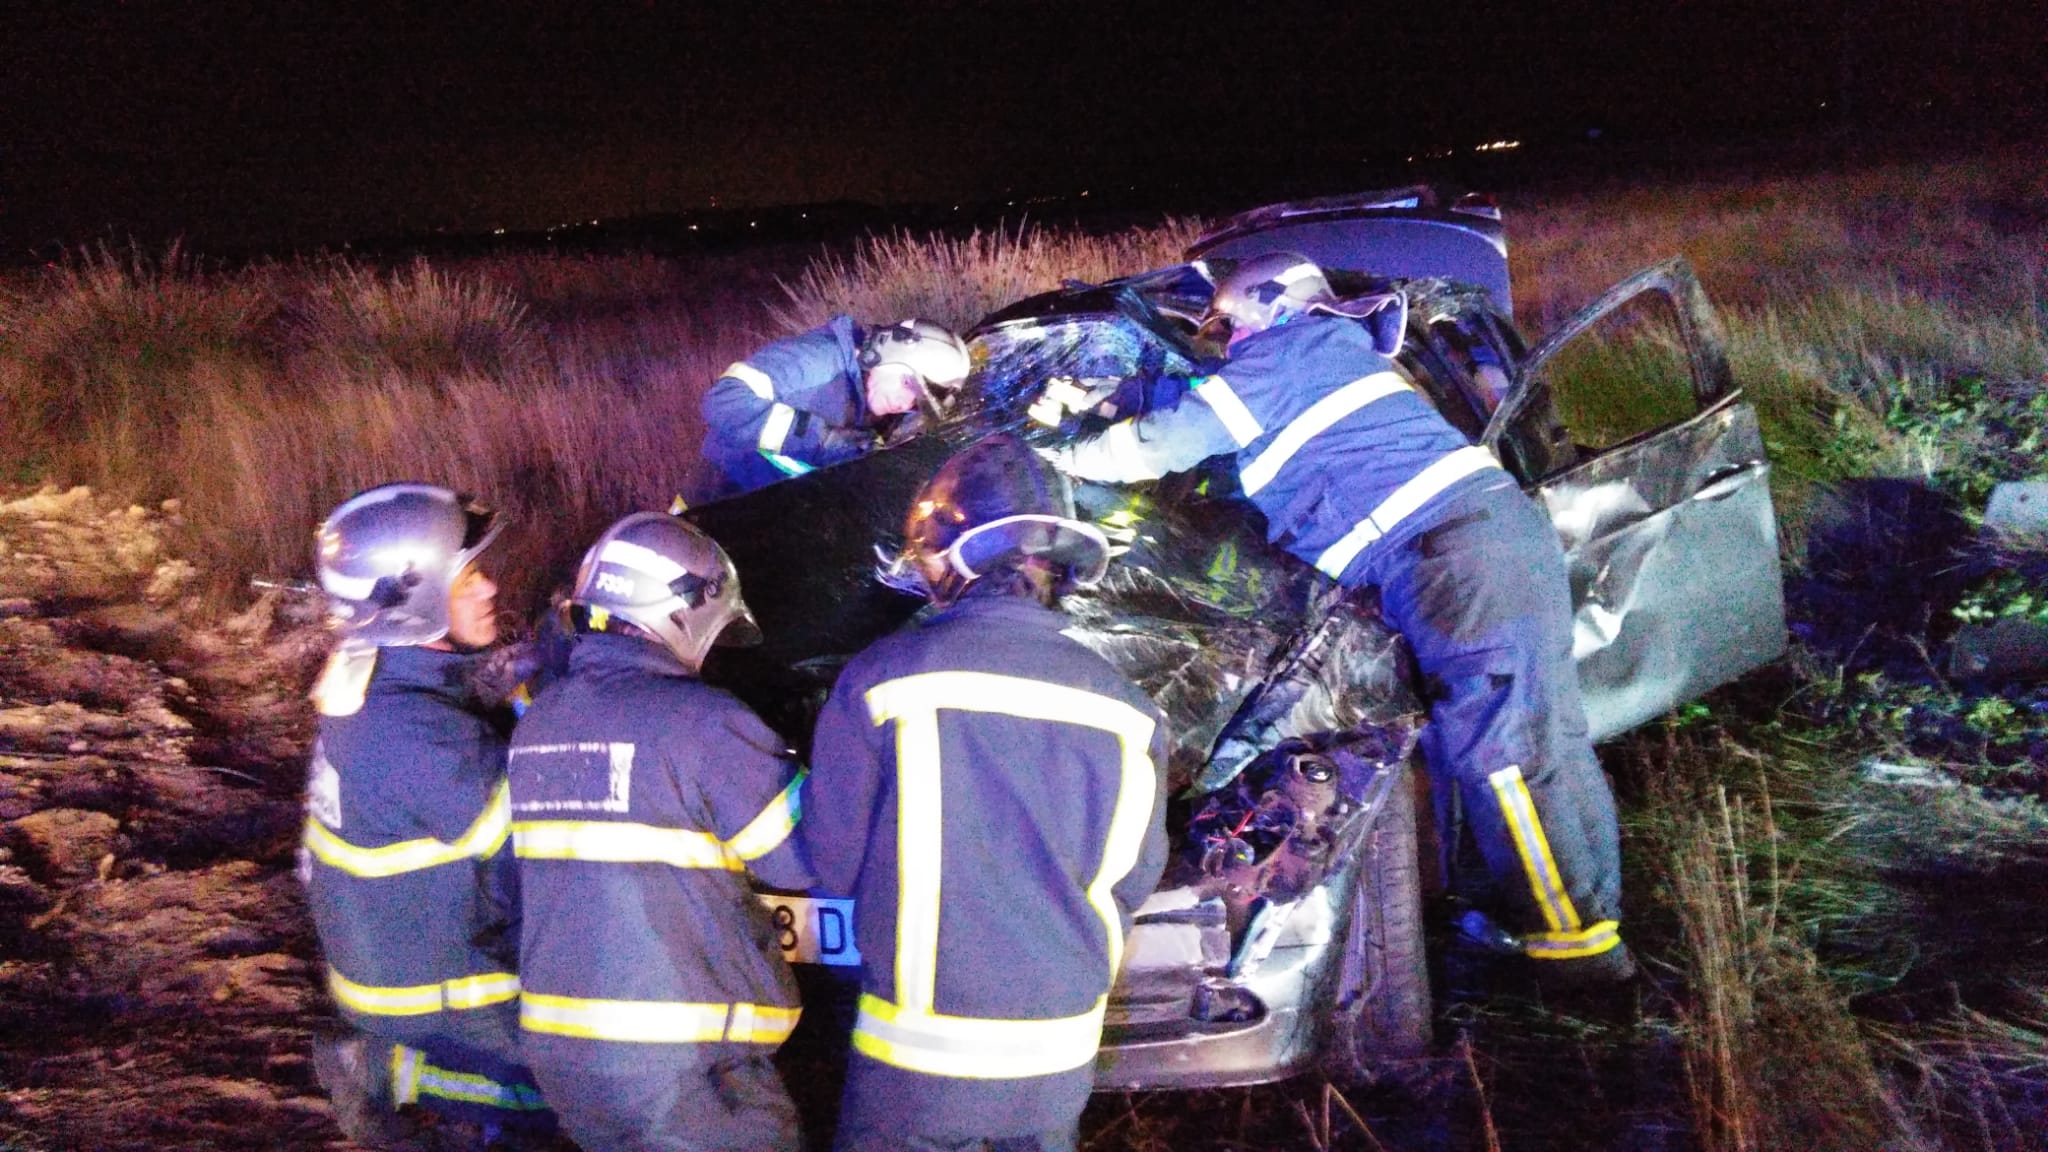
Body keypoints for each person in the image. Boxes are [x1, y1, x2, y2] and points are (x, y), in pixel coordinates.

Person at [1044, 252, 1633, 987]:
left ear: (1274, 307)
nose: (1222, 340)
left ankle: (1576, 956)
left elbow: (1161, 443)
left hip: (1454, 559)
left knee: (1504, 754)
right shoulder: (1320, 358)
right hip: (1470, 550)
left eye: (1228, 323)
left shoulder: (1294, 350)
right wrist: (1127, 393)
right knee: (1538, 739)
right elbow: (1214, 415)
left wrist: (1060, 461)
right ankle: (1550, 922)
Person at [804, 434, 1170, 1152]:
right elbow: (1131, 882)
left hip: (915, 1064)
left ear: (955, 558)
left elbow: (834, 861)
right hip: (1057, 1062)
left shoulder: (884, 679)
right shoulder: (1131, 709)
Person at [506, 511, 813, 1152]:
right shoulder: (701, 723)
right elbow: (805, 862)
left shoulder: (540, 720)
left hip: (568, 1059)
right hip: (687, 1070)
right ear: (683, 612)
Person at [300, 483, 553, 1147]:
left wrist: (503, 678)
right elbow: (539, 851)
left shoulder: (377, 667)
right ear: (413, 601)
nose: (490, 588)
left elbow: (447, 700)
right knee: (589, 1081)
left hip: (401, 952)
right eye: (467, 577)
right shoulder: (408, 730)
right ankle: (388, 1073)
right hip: (431, 993)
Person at [700, 316, 972, 493]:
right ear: (890, 353)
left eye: (917, 404)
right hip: (709, 508)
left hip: (766, 519)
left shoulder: (868, 398)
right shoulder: (814, 362)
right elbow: (723, 401)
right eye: (908, 386)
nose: (905, 405)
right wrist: (823, 440)